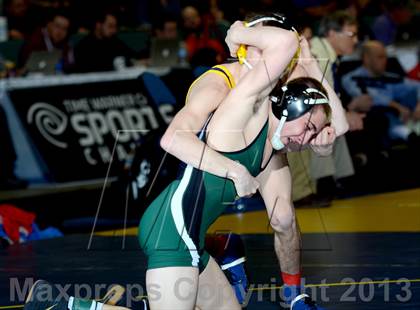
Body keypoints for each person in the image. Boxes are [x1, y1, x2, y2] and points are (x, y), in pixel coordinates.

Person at [138, 15, 347, 309]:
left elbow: (337, 125)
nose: (271, 54)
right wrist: (237, 32)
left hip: (259, 154)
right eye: (261, 43)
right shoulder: (220, 85)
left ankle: (292, 294)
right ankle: (213, 247)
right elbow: (174, 139)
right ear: (245, 47)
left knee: (283, 218)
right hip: (208, 167)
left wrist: (312, 66)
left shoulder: (281, 79)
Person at [290, 10, 360, 205]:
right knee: (322, 125)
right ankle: (307, 189)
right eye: (351, 35)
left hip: (309, 106)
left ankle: (336, 180)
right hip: (300, 110)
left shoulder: (326, 56)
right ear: (331, 33)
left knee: (336, 124)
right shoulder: (318, 55)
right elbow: (319, 96)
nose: (355, 40)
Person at [342, 40, 420, 143]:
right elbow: (366, 96)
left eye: (385, 57)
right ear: (367, 58)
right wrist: (395, 106)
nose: (385, 60)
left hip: (406, 117)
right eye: (380, 57)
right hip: (377, 121)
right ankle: (406, 134)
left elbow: (417, 86)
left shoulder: (391, 78)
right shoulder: (352, 78)